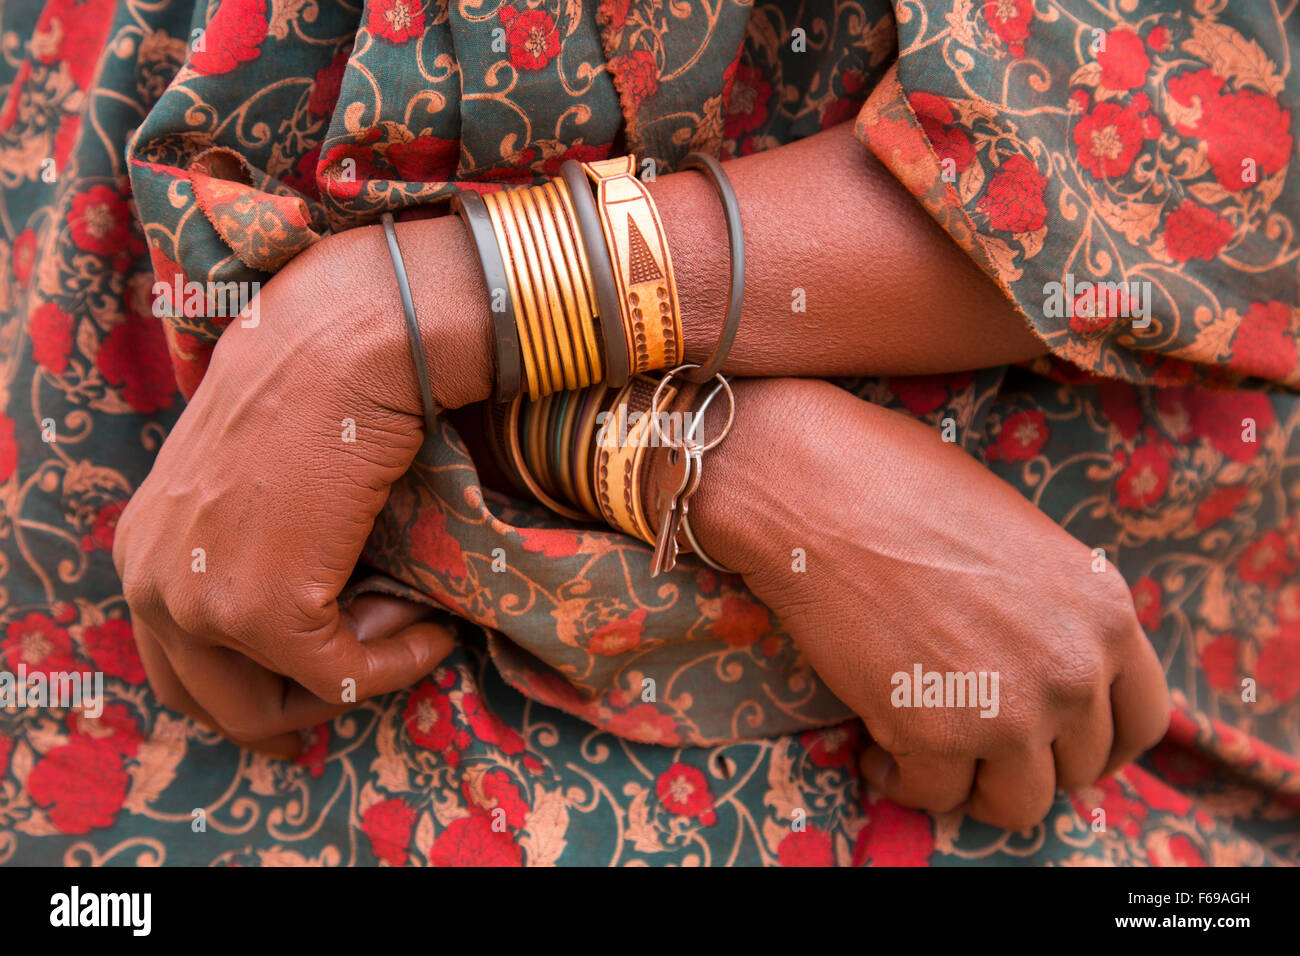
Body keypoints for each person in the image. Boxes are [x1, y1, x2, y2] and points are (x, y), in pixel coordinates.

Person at [1, 0, 1294, 865]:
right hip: (158, 674)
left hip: (899, 729)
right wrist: (717, 449)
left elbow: (1194, 149)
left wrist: (402, 314)